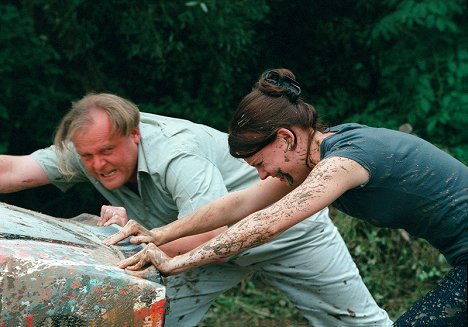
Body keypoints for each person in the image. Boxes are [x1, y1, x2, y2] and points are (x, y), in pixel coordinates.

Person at [104, 69, 468, 327]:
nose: (262, 175)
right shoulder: (317, 154)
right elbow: (239, 204)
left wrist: (175, 263)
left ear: (285, 138)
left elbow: (265, 224)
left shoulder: (343, 162)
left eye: (261, 163)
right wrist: (159, 235)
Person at [0, 93, 392, 326]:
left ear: (134, 134)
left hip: (286, 236)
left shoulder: (176, 152)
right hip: (189, 253)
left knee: (355, 321)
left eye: (107, 151)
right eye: (88, 156)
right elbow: (14, 171)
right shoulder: (88, 146)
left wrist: (107, 247)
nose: (98, 164)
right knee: (140, 316)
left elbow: (211, 233)